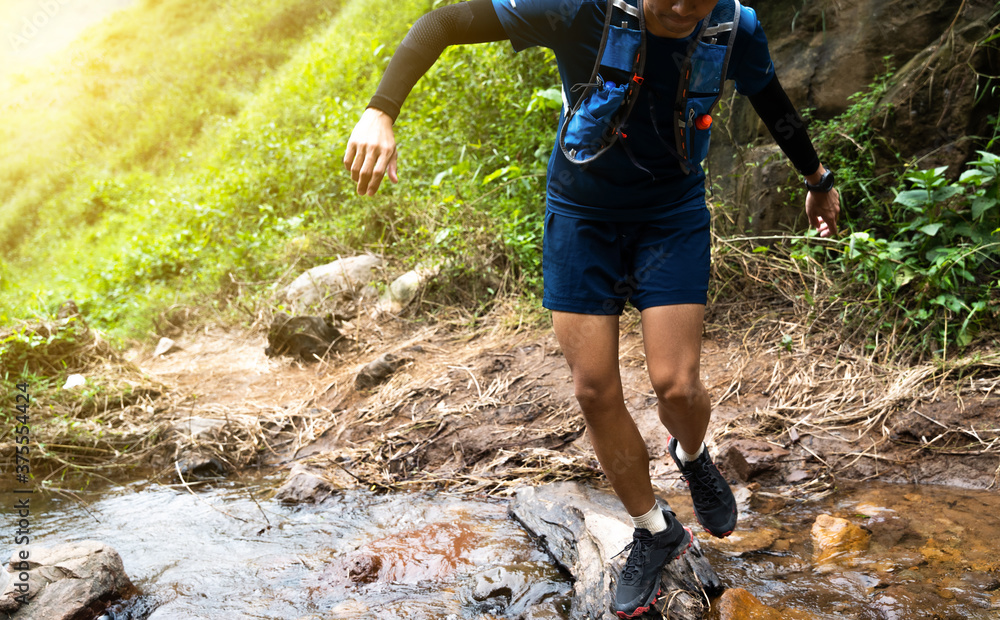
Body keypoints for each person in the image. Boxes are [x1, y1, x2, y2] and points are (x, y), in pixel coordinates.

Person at [343, 0, 840, 617]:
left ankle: (690, 457)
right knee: (594, 389)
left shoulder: (733, 26)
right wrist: (380, 110)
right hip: (582, 218)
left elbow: (772, 102)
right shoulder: (579, 8)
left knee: (678, 387)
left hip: (672, 216)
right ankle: (656, 531)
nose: (684, 8)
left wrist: (817, 180)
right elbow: (445, 21)